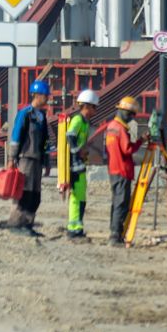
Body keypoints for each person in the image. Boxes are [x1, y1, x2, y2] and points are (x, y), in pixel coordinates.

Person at [5, 79, 53, 233]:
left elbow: (45, 141)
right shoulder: (24, 114)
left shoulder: (42, 117)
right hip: (25, 159)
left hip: (37, 161)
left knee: (35, 195)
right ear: (36, 95)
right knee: (24, 193)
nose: (47, 99)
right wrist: (12, 158)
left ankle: (28, 224)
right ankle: (16, 224)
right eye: (45, 96)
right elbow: (16, 136)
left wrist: (47, 161)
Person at [103, 95, 147, 245]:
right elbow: (127, 149)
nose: (132, 118)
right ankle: (115, 236)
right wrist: (141, 140)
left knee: (116, 202)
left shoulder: (111, 127)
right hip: (122, 170)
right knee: (121, 203)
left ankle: (115, 233)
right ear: (126, 112)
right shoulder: (121, 129)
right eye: (131, 115)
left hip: (113, 170)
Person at [58, 88, 100, 239]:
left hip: (80, 164)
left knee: (81, 196)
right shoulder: (77, 120)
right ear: (87, 106)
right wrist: (78, 151)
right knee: (76, 197)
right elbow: (70, 136)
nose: (95, 110)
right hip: (74, 165)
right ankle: (73, 228)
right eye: (94, 107)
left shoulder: (85, 122)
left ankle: (78, 226)